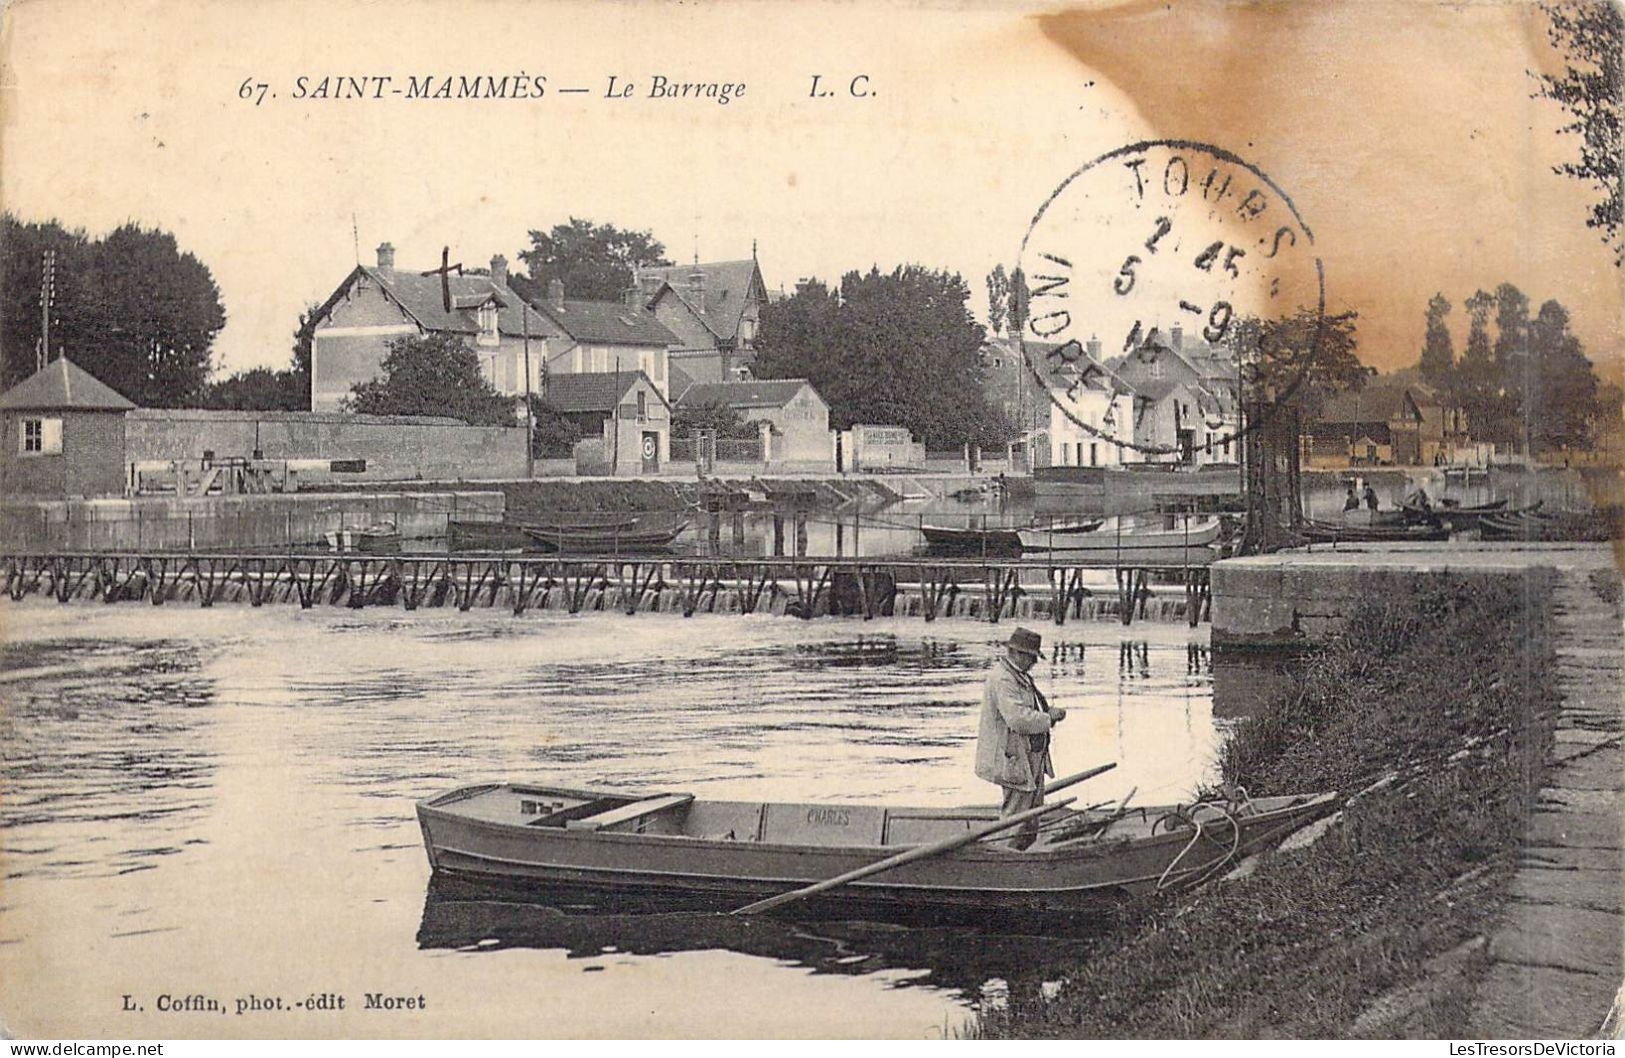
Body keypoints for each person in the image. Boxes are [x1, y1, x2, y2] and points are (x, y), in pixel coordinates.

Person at [975, 627, 1067, 848]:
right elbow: (1017, 719)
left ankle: (1018, 859)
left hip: (1028, 757)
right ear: (1017, 653)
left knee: (1030, 820)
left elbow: (1025, 710)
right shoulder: (1003, 679)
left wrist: (1046, 713)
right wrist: (1048, 718)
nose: (1034, 662)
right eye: (1031, 657)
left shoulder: (1018, 676)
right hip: (1014, 759)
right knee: (1014, 821)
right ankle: (1003, 864)